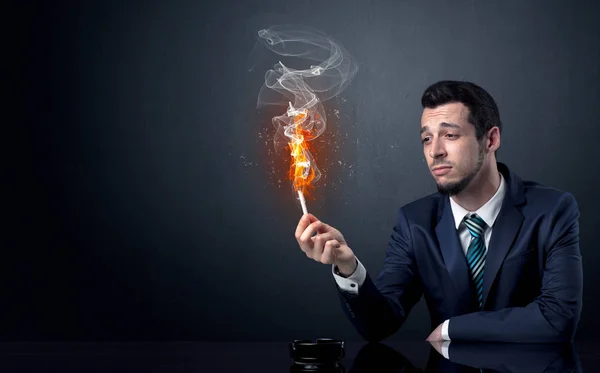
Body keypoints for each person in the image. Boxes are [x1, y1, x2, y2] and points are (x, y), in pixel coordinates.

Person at [294, 80, 583, 342]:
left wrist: (451, 329)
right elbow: (379, 325)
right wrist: (348, 266)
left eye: (450, 135)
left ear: (491, 140)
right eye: (427, 139)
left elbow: (558, 319)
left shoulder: (552, 210)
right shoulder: (414, 222)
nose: (435, 151)